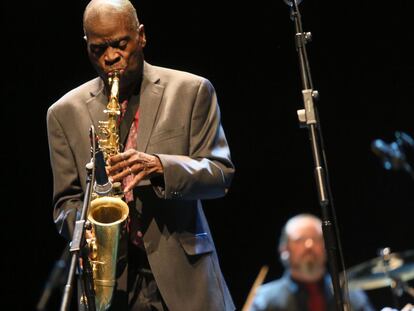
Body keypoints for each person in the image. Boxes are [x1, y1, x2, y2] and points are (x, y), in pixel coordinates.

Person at [46, 0, 235, 310]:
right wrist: (87, 230)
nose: (110, 57)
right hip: (110, 282)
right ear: (86, 46)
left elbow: (220, 173)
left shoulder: (191, 90)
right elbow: (65, 202)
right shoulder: (63, 113)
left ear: (141, 36)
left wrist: (161, 166)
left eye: (121, 44)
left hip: (185, 280)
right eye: (98, 49)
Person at [249, 214, 375, 311]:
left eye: (316, 239)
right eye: (299, 240)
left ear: (327, 247)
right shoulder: (265, 300)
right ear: (284, 249)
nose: (309, 245)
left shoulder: (350, 295)